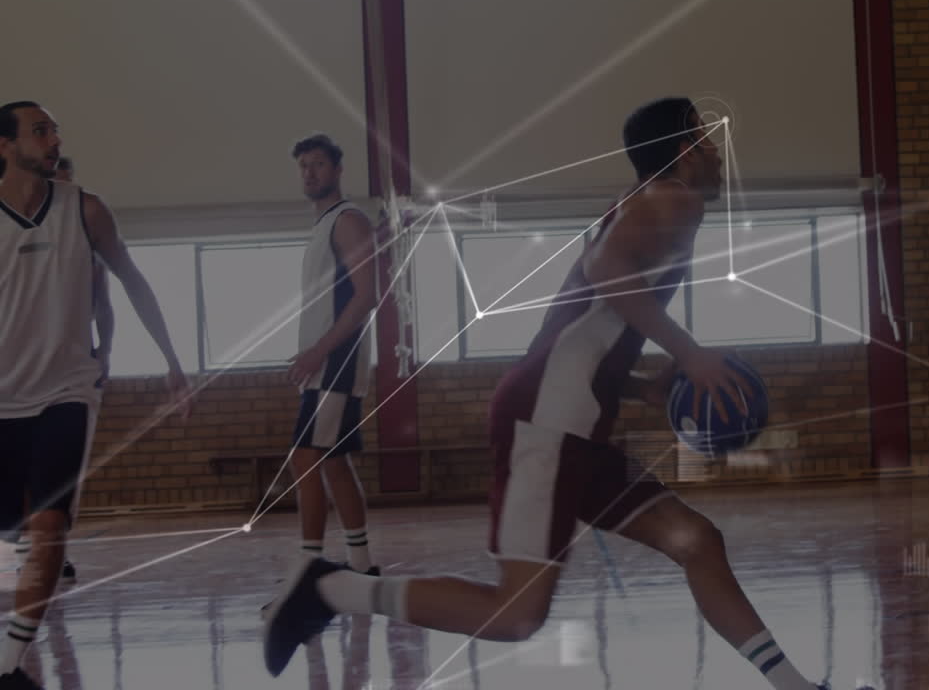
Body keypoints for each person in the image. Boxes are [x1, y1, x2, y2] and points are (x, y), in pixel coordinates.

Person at [263, 99, 857, 690]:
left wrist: (643, 387)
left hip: (573, 419)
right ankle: (329, 587)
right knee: (516, 614)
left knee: (697, 540)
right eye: (706, 140)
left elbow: (584, 328)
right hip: (547, 421)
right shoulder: (672, 198)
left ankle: (796, 688)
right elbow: (605, 271)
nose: (715, 153)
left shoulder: (647, 204)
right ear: (684, 152)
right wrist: (689, 355)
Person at [0, 101, 192, 690]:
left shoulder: (86, 211)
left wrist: (172, 361)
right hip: (4, 397)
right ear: (5, 147)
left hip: (67, 390)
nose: (53, 137)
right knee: (13, 521)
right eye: (39, 129)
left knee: (51, 524)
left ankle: (10, 667)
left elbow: (131, 282)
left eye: (54, 128)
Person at [277, 134, 379, 584]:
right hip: (325, 364)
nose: (310, 172)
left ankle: (307, 568)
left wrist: (319, 350)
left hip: (337, 362)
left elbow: (365, 297)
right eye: (303, 166)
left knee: (305, 459)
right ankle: (361, 564)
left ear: (337, 170)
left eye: (318, 164)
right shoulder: (322, 226)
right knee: (333, 461)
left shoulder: (348, 220)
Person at [6, 157, 114, 583]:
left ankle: (53, 550)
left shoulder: (86, 240)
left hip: (71, 369)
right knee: (20, 473)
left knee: (62, 479)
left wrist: (106, 349)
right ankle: (18, 547)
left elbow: (104, 303)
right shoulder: (18, 236)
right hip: (19, 368)